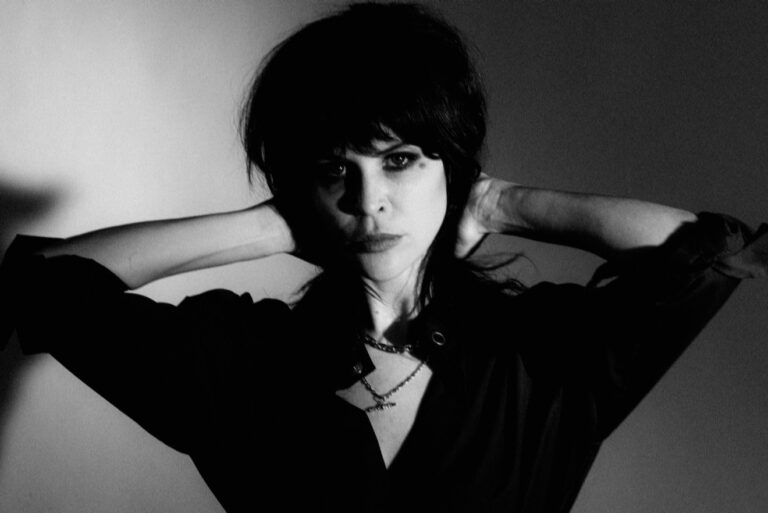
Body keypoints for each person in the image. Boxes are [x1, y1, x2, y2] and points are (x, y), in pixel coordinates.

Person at [0, 2, 766, 512]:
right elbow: (42, 287)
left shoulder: (540, 358)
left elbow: (717, 252)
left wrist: (503, 203)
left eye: (400, 160)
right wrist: (273, 225)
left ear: (449, 166)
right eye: (336, 170)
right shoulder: (246, 359)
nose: (369, 202)